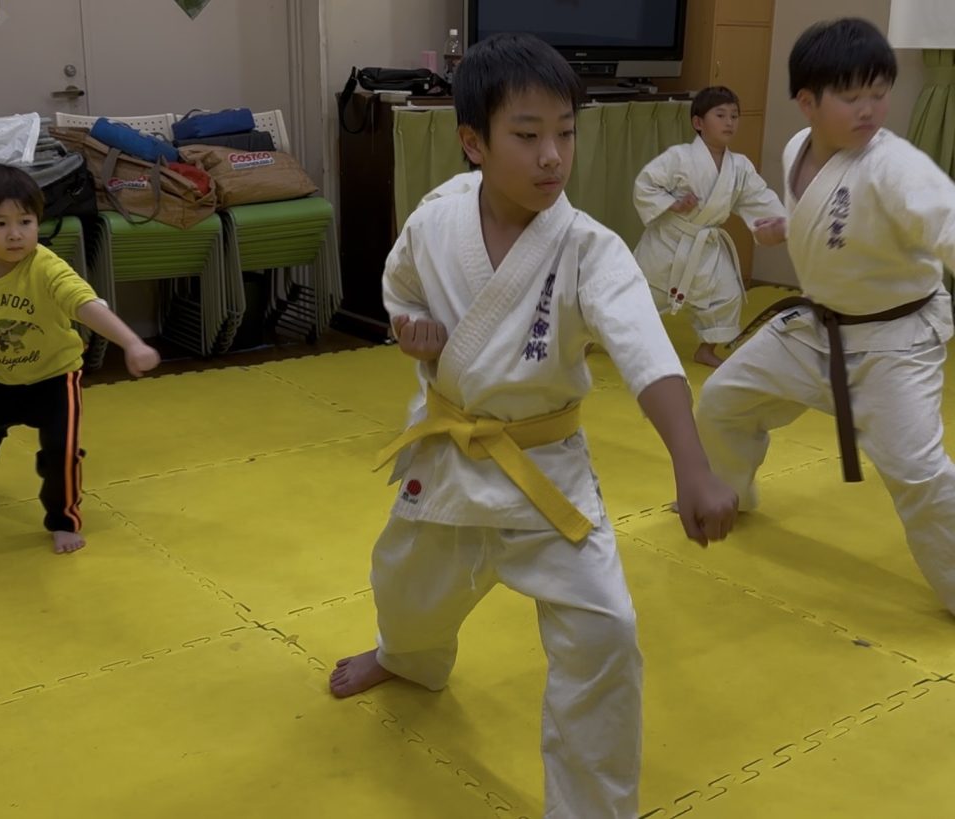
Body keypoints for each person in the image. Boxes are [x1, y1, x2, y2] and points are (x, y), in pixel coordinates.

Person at [329, 33, 738, 819]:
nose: (553, 155)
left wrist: (691, 463)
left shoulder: (591, 249)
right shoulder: (438, 218)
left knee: (608, 629)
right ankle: (407, 657)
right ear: (473, 142)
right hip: (451, 457)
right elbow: (401, 286)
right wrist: (411, 328)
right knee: (403, 586)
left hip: (548, 473)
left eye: (566, 132)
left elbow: (647, 353)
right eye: (527, 134)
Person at [696, 18, 955, 615]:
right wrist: (789, 227)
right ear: (807, 102)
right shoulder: (797, 148)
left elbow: (946, 224)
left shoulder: (897, 167)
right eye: (852, 96)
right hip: (816, 330)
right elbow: (836, 217)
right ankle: (730, 494)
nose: (870, 110)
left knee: (917, 471)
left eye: (879, 94)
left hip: (895, 342)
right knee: (723, 402)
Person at [0, 164, 160, 554]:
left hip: (55, 378)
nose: (15, 234)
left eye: (26, 221)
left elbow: (86, 305)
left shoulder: (47, 267)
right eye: (0, 224)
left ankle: (64, 521)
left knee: (61, 453)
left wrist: (131, 343)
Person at [633, 85, 788, 368]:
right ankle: (593, 335)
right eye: (720, 115)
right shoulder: (678, 157)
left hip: (707, 246)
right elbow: (645, 185)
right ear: (698, 123)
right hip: (669, 242)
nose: (729, 122)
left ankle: (706, 350)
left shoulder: (739, 167)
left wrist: (780, 222)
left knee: (726, 294)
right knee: (637, 295)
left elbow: (758, 196)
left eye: (734, 116)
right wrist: (673, 203)